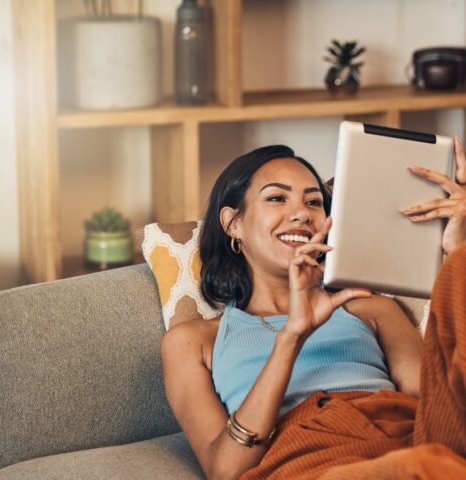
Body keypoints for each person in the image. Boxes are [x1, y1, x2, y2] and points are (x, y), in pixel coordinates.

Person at [161, 140, 466, 480]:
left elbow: (440, 410)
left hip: (407, 438)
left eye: (314, 201)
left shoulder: (370, 307)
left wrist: (456, 249)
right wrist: (293, 334)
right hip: (308, 460)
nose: (302, 213)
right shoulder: (194, 340)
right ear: (233, 223)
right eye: (277, 198)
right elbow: (226, 470)